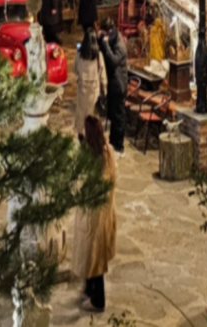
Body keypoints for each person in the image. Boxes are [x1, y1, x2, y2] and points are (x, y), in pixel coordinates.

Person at [71, 115, 117, 313]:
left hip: (94, 217)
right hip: (105, 214)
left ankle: (98, 300)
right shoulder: (108, 153)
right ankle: (89, 289)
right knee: (92, 256)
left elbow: (82, 187)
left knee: (95, 257)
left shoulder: (94, 162)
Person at [98, 18, 128, 155]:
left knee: (118, 117)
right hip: (112, 83)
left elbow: (113, 60)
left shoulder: (120, 45)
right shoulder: (111, 39)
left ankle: (119, 146)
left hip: (118, 85)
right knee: (112, 115)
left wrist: (105, 45)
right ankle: (112, 142)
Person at [74, 28, 107, 139]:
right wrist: (105, 88)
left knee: (81, 112)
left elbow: (74, 69)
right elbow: (102, 74)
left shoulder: (79, 54)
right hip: (94, 89)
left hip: (82, 87)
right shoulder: (98, 55)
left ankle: (81, 134)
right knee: (91, 114)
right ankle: (91, 135)